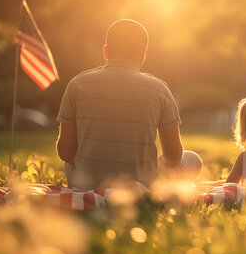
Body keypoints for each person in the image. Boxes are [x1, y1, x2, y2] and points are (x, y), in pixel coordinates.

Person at [56, 19, 202, 190]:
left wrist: (93, 159)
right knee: (192, 159)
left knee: (71, 165)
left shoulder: (78, 84)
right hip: (143, 186)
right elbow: (174, 157)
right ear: (143, 54)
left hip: (87, 184)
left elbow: (65, 152)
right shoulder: (159, 89)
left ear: (105, 51)